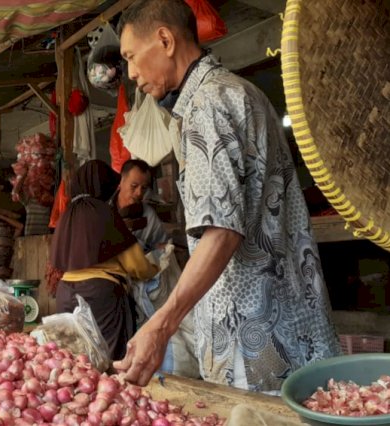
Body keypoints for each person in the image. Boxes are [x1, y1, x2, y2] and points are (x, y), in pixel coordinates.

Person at [113, 0, 341, 392]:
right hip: (296, 328)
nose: (132, 74)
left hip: (256, 346)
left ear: (165, 40)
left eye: (132, 57)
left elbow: (221, 232)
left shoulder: (207, 106)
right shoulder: (242, 92)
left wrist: (162, 324)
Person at [51, 160, 158, 359]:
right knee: (108, 361)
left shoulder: (68, 214)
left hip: (65, 293)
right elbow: (137, 266)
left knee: (71, 360)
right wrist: (155, 268)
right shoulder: (104, 212)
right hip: (100, 297)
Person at [111, 159, 169, 252]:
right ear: (121, 182)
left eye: (144, 188)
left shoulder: (149, 215)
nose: (139, 193)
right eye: (134, 186)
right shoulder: (103, 208)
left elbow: (163, 247)